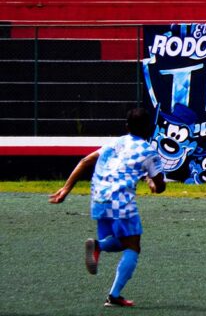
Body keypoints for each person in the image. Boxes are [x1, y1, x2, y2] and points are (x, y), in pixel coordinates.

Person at [49, 108, 166, 308]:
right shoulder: (148, 151)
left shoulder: (114, 142)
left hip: (99, 198)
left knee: (121, 242)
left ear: (126, 126)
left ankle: (98, 246)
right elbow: (160, 185)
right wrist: (153, 185)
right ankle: (114, 295)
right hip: (121, 201)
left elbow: (85, 161)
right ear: (150, 129)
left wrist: (66, 189)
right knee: (133, 246)